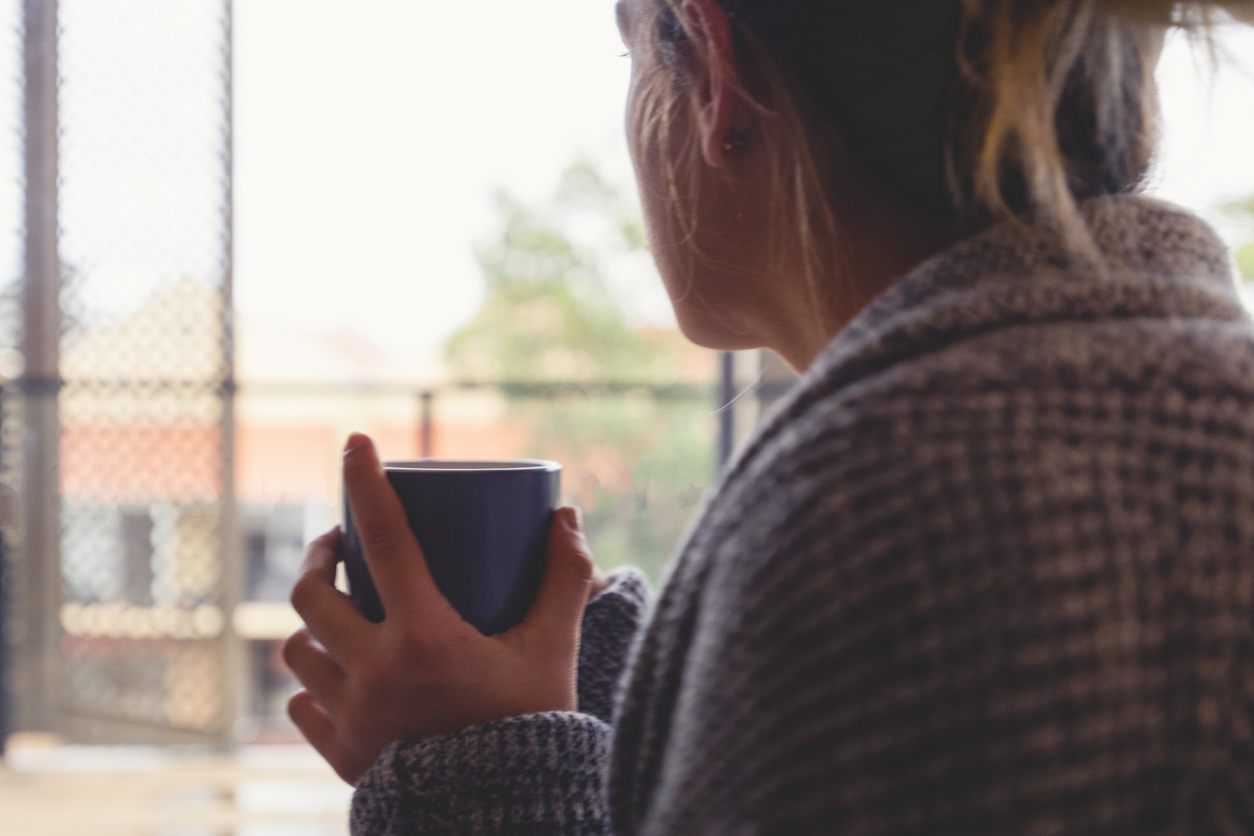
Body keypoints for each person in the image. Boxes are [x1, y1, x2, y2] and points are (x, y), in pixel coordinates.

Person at [282, 0, 1254, 832]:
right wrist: (637, 709)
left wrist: (475, 768)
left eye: (632, 53)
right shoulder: (1178, 415)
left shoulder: (877, 518)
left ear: (718, 75)